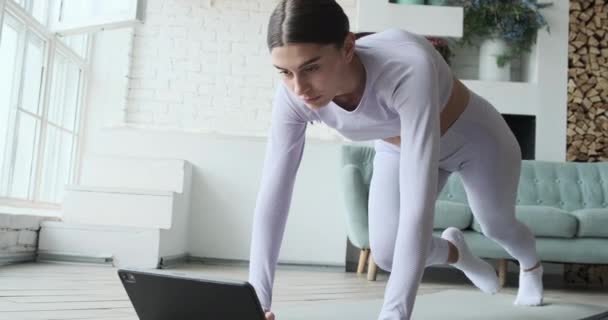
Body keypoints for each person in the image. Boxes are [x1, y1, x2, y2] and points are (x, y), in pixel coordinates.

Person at [248, 0, 544, 319]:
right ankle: (456, 253)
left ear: (348, 47)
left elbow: (418, 208)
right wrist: (255, 306)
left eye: (311, 68)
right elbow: (273, 196)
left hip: (477, 142)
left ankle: (531, 267)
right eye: (285, 73)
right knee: (387, 252)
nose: (299, 88)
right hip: (398, 148)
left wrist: (394, 315)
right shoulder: (293, 96)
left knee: (496, 225)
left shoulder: (407, 67)